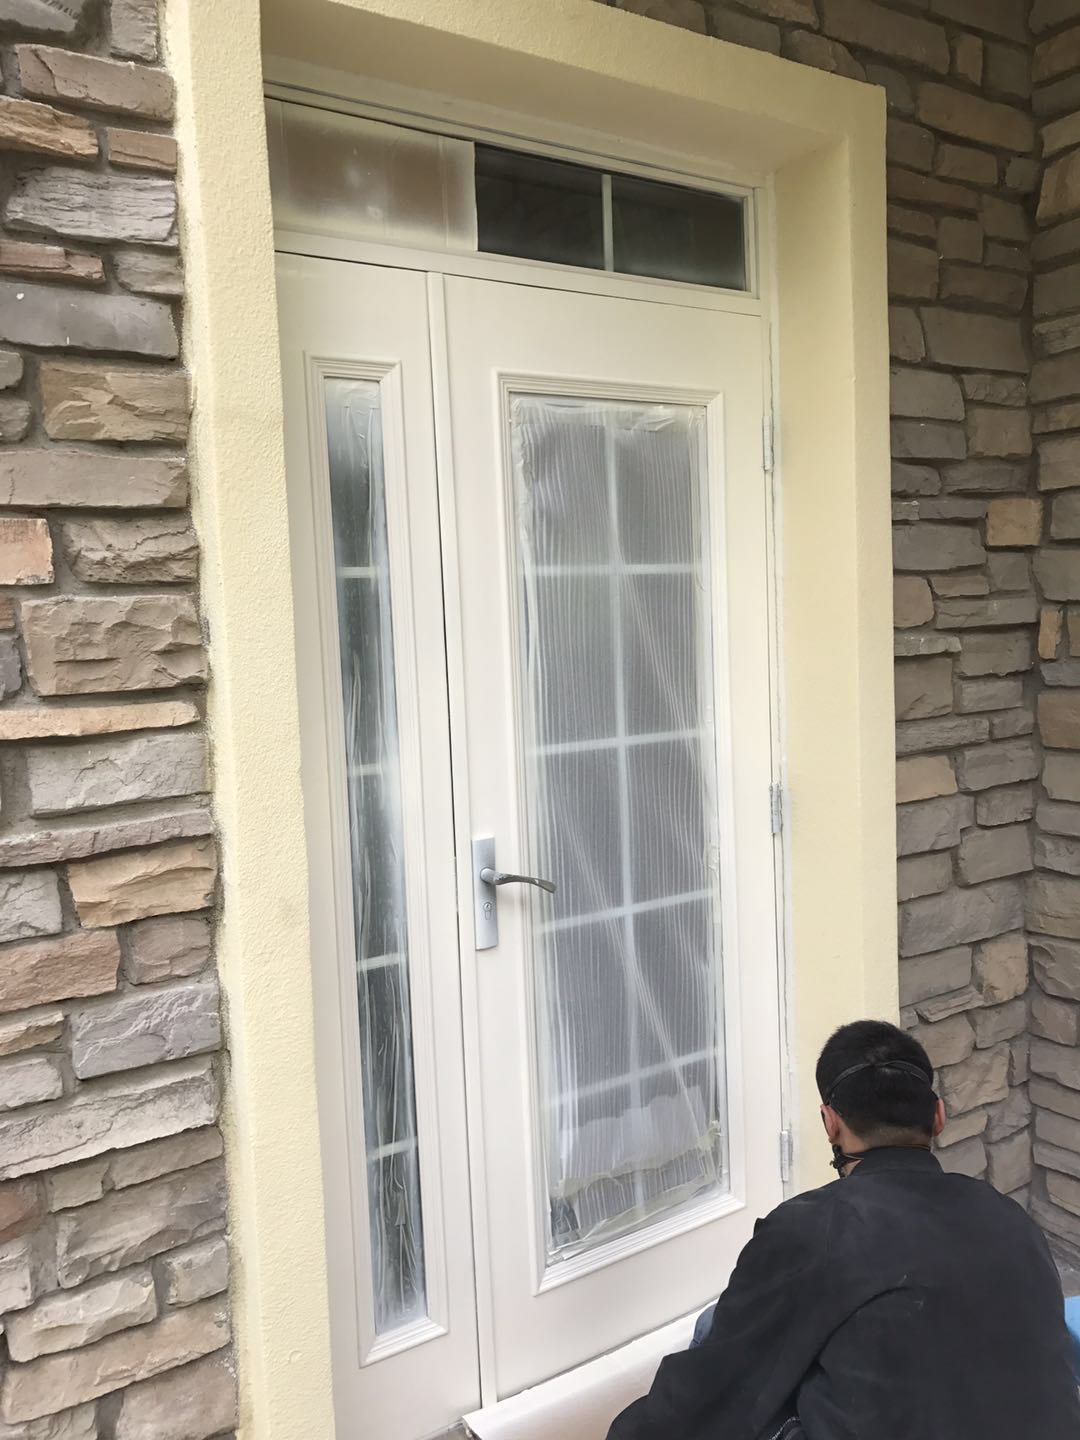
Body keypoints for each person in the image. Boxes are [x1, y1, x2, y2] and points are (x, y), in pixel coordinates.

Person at [606, 1019, 1080, 1440]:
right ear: (938, 1116)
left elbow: (710, 1390)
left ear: (830, 1123)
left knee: (718, 1332)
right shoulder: (1009, 1217)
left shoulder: (813, 1228)